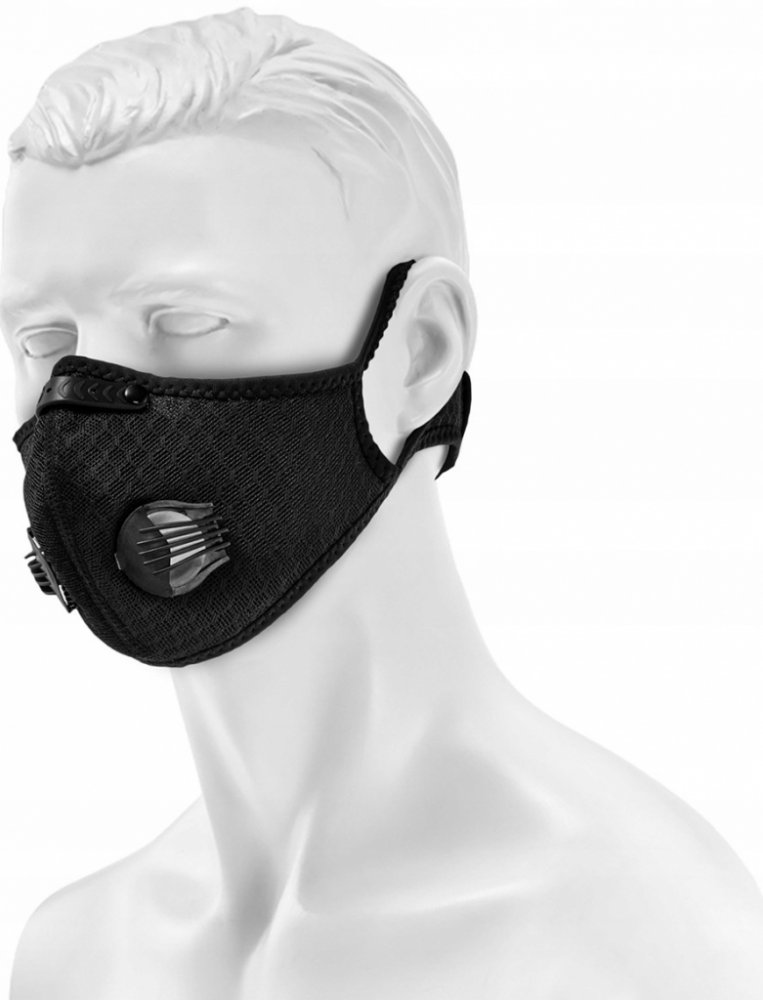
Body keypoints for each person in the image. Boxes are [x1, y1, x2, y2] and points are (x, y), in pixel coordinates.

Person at [3, 9, 763, 998]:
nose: (81, 399)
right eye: (44, 342)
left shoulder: (647, 942)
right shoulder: (72, 956)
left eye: (186, 319)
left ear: (417, 353)